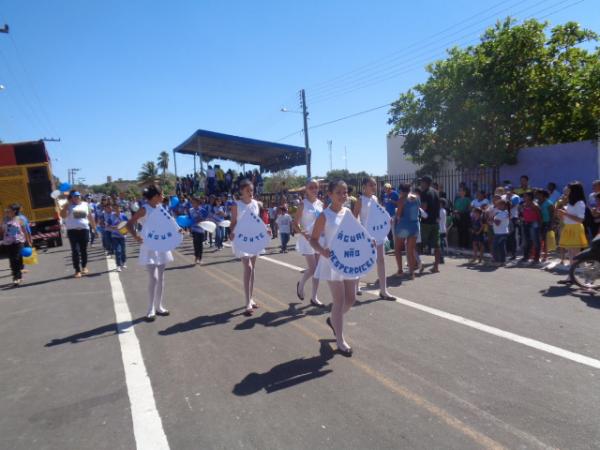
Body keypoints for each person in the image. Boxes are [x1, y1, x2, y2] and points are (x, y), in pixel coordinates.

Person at [310, 180, 357, 357]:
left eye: (345, 192)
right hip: (332, 262)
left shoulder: (349, 212)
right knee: (339, 300)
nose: (343, 196)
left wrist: (369, 242)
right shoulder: (325, 215)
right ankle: (340, 340)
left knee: (351, 299)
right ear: (330, 194)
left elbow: (356, 234)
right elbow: (313, 240)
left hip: (349, 261)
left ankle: (332, 320)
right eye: (339, 192)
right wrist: (323, 251)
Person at [127, 185, 173, 322]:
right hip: (149, 245)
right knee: (154, 278)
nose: (163, 197)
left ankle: (159, 306)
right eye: (162, 194)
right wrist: (136, 236)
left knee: (161, 277)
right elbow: (129, 224)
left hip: (162, 244)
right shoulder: (144, 209)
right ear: (155, 196)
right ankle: (150, 308)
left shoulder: (160, 208)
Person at [353, 177, 395, 300]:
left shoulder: (375, 199)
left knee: (381, 261)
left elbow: (379, 214)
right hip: (366, 236)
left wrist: (387, 220)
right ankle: (355, 287)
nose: (374, 187)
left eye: (375, 185)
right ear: (364, 186)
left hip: (378, 235)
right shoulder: (360, 200)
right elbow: (354, 218)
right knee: (361, 261)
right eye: (371, 185)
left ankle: (383, 290)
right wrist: (361, 234)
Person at [229, 179, 263, 316]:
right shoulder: (236, 205)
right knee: (248, 267)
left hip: (254, 238)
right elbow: (233, 223)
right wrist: (231, 231)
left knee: (252, 269)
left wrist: (266, 229)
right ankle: (247, 301)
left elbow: (258, 221)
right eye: (248, 190)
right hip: (241, 239)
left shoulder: (256, 204)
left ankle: (251, 298)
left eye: (252, 190)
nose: (251, 192)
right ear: (241, 191)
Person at [294, 179, 325, 307]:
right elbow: (295, 224)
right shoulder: (303, 204)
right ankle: (301, 284)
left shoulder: (320, 204)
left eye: (316, 187)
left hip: (318, 239)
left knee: (317, 269)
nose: (314, 189)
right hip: (307, 240)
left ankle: (314, 297)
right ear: (306, 189)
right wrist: (303, 233)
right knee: (313, 269)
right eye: (311, 187)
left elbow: (323, 222)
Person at [60, 190, 95, 278]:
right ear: (71, 198)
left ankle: (84, 267)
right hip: (72, 231)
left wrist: (95, 228)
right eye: (75, 196)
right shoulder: (68, 206)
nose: (77, 197)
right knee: (75, 251)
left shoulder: (85, 204)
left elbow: (90, 217)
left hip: (84, 230)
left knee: (84, 250)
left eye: (78, 196)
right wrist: (65, 207)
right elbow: (63, 216)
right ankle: (77, 270)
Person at [557, 181, 588, 268]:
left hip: (575, 228)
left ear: (573, 191)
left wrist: (565, 214)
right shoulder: (570, 202)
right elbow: (567, 219)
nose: (566, 190)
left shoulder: (580, 203)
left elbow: (580, 219)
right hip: (568, 228)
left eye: (568, 188)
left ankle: (576, 274)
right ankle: (571, 276)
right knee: (571, 253)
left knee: (575, 253)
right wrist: (561, 216)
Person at [1, 204, 31, 286]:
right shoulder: (5, 219)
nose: (7, 211)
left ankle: (18, 277)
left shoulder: (20, 219)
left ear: (14, 211)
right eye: (7, 210)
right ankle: (16, 276)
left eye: (9, 210)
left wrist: (28, 241)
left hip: (19, 241)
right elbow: (2, 230)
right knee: (12, 260)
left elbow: (24, 230)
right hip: (8, 242)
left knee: (17, 258)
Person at [394, 184, 420, 279]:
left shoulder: (402, 200)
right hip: (414, 225)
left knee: (397, 248)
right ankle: (411, 273)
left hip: (403, 226)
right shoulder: (417, 198)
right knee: (410, 250)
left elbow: (398, 214)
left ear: (401, 190)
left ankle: (400, 270)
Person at [419, 175, 441, 273]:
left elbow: (423, 207)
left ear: (426, 183)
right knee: (437, 245)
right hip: (435, 222)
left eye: (422, 182)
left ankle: (417, 263)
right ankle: (436, 266)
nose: (420, 184)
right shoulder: (436, 192)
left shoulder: (424, 193)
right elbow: (438, 206)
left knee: (418, 243)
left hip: (426, 223)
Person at [521, 191, 542, 264]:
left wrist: (539, 224)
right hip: (526, 223)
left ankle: (536, 258)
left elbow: (539, 215)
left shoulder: (534, 205)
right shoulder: (524, 204)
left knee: (536, 241)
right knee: (526, 241)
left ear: (530, 197)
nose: (524, 197)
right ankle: (526, 256)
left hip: (534, 223)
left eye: (525, 196)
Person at [106, 203, 128, 271]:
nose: (117, 209)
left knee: (123, 251)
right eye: (115, 208)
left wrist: (125, 229)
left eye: (118, 208)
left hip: (122, 236)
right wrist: (114, 227)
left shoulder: (123, 215)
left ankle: (124, 262)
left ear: (120, 208)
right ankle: (118, 265)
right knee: (118, 251)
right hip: (114, 236)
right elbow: (108, 226)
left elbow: (128, 224)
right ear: (113, 209)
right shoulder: (111, 217)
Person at [188, 197, 208, 264]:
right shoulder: (190, 210)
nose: (193, 204)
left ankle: (200, 258)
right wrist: (190, 227)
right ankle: (196, 257)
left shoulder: (203, 210)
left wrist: (200, 219)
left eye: (194, 202)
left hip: (201, 229)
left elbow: (206, 219)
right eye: (192, 202)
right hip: (194, 229)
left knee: (200, 244)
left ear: (198, 203)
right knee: (195, 244)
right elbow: (189, 219)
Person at [536, 189, 554, 261]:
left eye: (538, 194)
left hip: (547, 223)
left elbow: (552, 214)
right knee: (539, 239)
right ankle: (539, 254)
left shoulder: (549, 203)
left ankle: (545, 256)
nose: (537, 196)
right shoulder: (537, 203)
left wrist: (551, 224)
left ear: (543, 195)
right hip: (538, 222)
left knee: (545, 239)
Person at [492, 200, 510, 265]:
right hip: (501, 232)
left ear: (503, 205)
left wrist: (492, 218)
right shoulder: (504, 212)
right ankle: (502, 261)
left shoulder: (502, 213)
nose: (497, 206)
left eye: (499, 204)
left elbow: (497, 223)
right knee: (501, 247)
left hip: (500, 233)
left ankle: (497, 261)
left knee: (496, 247)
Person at [439, 198, 448, 264]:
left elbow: (438, 219)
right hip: (443, 229)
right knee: (442, 244)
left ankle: (441, 257)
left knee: (440, 244)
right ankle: (441, 257)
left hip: (440, 229)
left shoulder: (440, 211)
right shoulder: (444, 210)